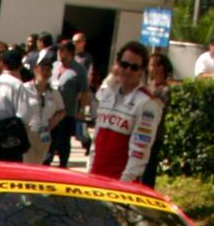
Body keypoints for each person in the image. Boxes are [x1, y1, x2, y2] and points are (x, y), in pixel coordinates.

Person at [88, 41, 161, 184]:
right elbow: (96, 140)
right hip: (95, 178)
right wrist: (89, 173)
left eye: (134, 67)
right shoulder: (108, 93)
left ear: (141, 71)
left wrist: (122, 186)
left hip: (120, 184)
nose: (127, 70)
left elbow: (139, 153)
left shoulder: (147, 103)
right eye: (124, 65)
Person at [48, 38, 87, 166]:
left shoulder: (79, 70)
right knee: (50, 140)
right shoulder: (54, 66)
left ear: (70, 52)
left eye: (62, 50)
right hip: (51, 111)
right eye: (59, 50)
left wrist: (81, 110)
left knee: (63, 140)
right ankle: (47, 162)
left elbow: (84, 92)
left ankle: (63, 164)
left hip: (67, 112)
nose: (59, 53)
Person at [26, 56, 64, 165]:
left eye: (48, 70)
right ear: (35, 70)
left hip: (45, 134)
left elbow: (62, 110)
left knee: (40, 164)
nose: (45, 72)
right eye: (42, 69)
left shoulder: (54, 93)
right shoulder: (25, 89)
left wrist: (55, 120)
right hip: (29, 133)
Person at [143, 49, 172, 186]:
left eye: (151, 65)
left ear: (160, 68)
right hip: (141, 134)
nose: (149, 68)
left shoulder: (165, 90)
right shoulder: (149, 86)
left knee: (148, 170)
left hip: (154, 135)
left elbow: (158, 110)